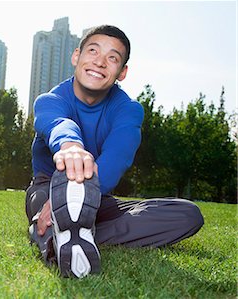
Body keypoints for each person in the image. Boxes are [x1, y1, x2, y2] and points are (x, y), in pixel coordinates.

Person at [26, 25, 204, 278]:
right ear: (76, 56)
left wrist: (82, 196)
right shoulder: (50, 100)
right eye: (93, 51)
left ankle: (72, 233)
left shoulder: (128, 110)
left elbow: (117, 157)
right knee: (43, 203)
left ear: (122, 72)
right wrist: (71, 148)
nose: (99, 62)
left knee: (188, 215)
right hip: (48, 189)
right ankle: (57, 233)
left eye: (112, 58)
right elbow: (57, 124)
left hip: (98, 195)